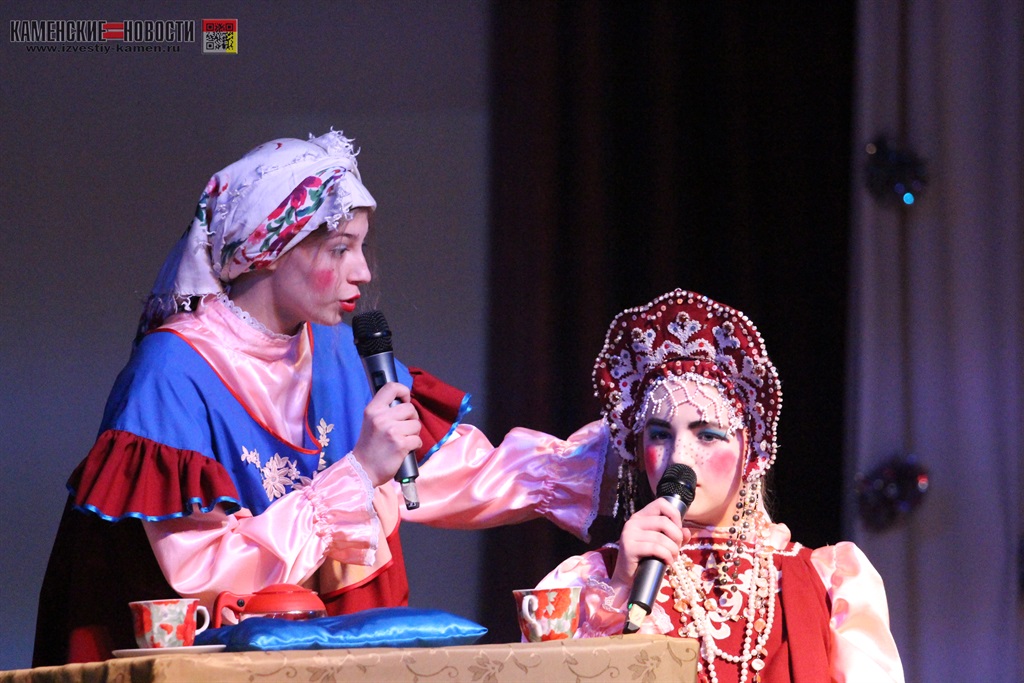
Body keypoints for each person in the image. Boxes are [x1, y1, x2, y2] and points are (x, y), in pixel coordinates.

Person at [33, 130, 612, 666]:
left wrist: (611, 461)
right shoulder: (174, 371)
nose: (361, 271)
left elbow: (454, 475)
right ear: (267, 249)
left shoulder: (335, 353)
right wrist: (358, 473)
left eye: (361, 247)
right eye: (339, 249)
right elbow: (203, 568)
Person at [534, 290, 905, 683]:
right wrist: (620, 592)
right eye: (659, 435)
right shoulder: (590, 581)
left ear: (752, 453)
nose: (679, 457)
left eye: (708, 435)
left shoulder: (828, 583)